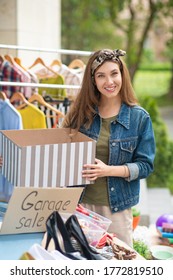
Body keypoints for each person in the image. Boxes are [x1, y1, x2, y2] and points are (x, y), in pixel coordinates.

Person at [62, 48, 156, 247]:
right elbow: (57, 151)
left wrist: (107, 170)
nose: (109, 82)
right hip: (80, 205)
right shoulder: (80, 114)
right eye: (101, 76)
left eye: (114, 73)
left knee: (117, 265)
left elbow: (145, 166)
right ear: (93, 80)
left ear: (122, 74)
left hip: (117, 210)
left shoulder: (139, 118)